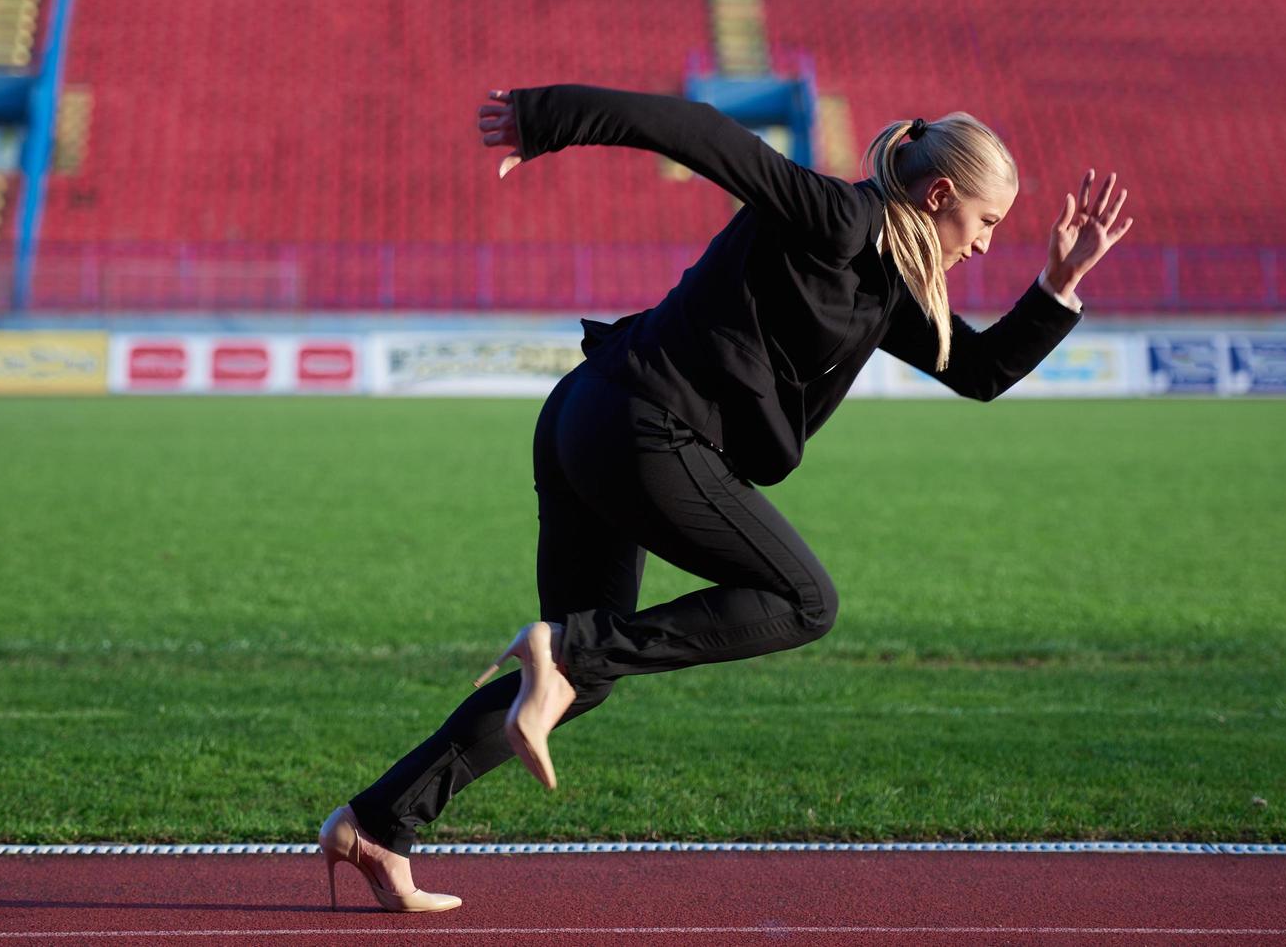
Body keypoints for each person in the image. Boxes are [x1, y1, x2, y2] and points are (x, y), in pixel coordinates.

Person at [319, 84, 1134, 912]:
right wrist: (548, 118)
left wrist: (1057, 285)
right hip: (641, 427)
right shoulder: (833, 216)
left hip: (591, 414)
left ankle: (380, 823)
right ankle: (564, 651)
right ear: (940, 197)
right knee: (802, 599)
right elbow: (701, 132)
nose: (987, 247)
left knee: (584, 676)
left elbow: (981, 371)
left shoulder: (886, 283)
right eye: (988, 224)